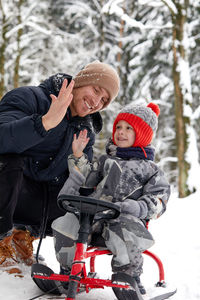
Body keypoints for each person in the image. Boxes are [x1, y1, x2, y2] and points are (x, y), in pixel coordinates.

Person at [0, 61, 120, 269]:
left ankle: (23, 235)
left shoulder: (85, 131)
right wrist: (45, 122)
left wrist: (80, 162)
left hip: (37, 201)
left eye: (104, 100)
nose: (96, 101)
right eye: (96, 89)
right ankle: (1, 239)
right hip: (9, 188)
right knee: (8, 161)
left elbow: (79, 181)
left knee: (77, 192)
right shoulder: (29, 98)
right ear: (81, 81)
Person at [52, 102, 171, 299]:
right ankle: (69, 271)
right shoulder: (104, 161)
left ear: (142, 134)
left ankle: (128, 277)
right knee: (67, 223)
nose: (120, 132)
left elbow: (159, 199)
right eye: (118, 127)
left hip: (124, 216)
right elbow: (84, 183)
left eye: (128, 128)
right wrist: (79, 156)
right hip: (94, 215)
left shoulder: (151, 169)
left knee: (126, 230)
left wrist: (137, 207)